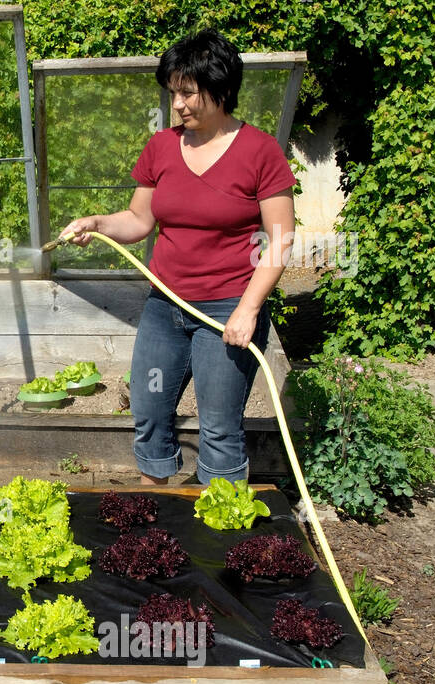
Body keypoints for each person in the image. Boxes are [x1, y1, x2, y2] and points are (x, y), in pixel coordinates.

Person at [60, 29, 296, 487]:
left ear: (221, 89)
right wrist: (96, 223)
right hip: (165, 307)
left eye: (189, 93)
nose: (179, 105)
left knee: (219, 424)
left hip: (228, 307)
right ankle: (157, 508)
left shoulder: (259, 151)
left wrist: (248, 310)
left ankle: (220, 531)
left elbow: (282, 239)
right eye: (173, 93)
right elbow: (137, 220)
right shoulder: (163, 147)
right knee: (148, 410)